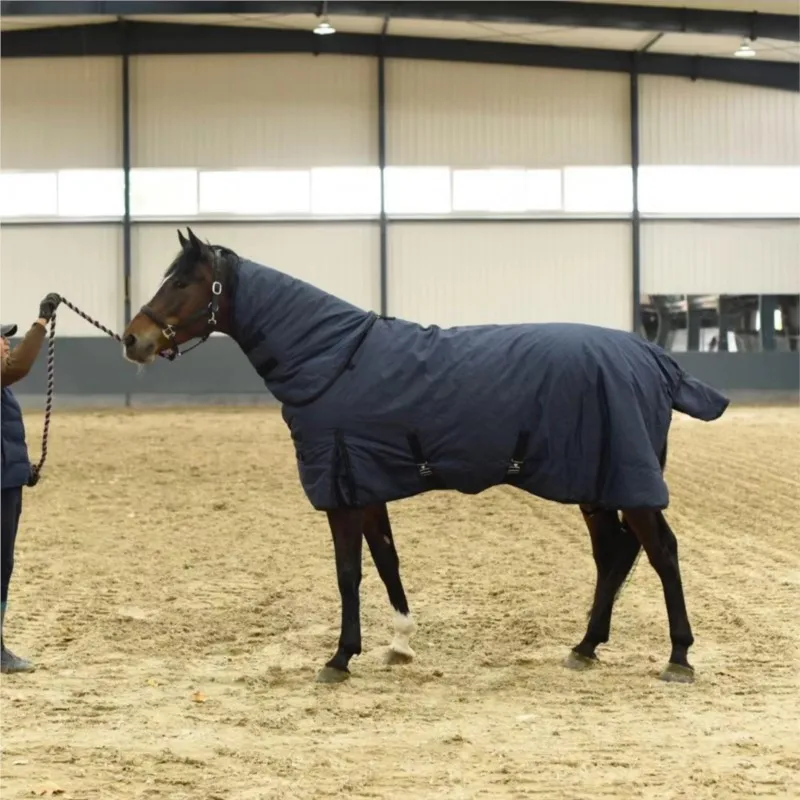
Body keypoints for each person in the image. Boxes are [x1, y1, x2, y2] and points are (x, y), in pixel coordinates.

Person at [1, 292, 61, 674]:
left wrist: (23, 469)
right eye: (1, 338)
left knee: (3, 562)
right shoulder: (4, 376)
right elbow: (17, 366)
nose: (5, 342)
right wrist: (40, 324)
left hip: (7, 480)